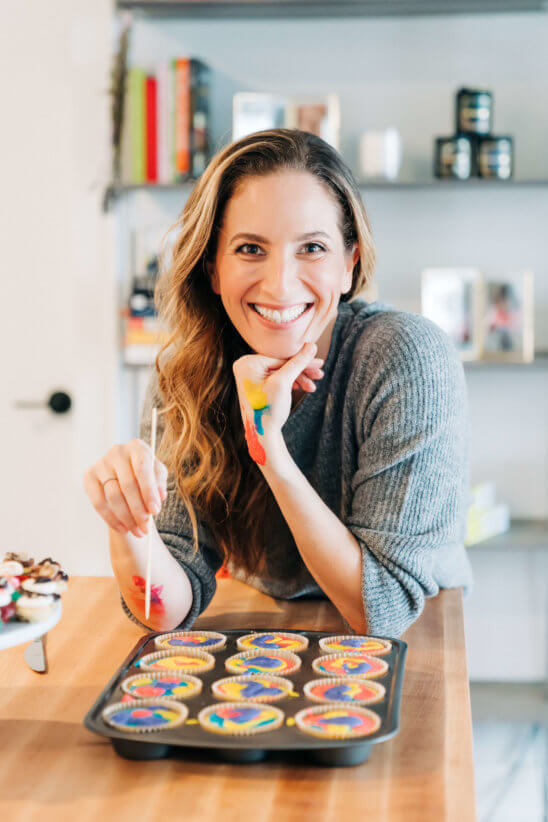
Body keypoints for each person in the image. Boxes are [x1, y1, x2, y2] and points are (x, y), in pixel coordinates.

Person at [83, 128, 473, 638]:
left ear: (349, 264)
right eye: (249, 249)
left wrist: (267, 445)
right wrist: (128, 524)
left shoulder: (406, 358)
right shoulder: (187, 375)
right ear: (213, 268)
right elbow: (165, 610)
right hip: (271, 621)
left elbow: (382, 610)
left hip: (419, 632)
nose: (280, 284)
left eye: (311, 247)